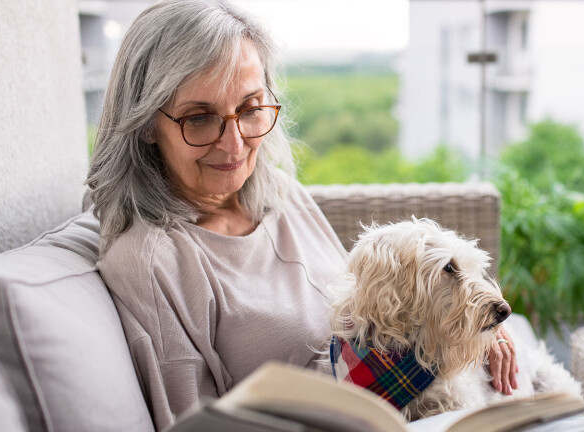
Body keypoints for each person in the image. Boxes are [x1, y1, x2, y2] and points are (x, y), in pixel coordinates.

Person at [84, 1, 518, 429]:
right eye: (199, 118)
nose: (235, 145)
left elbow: (371, 314)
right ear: (143, 122)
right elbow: (192, 422)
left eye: (251, 109)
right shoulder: (152, 260)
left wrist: (471, 331)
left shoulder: (280, 194)